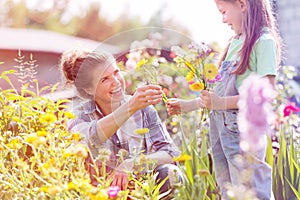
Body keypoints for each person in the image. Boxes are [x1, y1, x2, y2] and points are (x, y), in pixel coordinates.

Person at [167, 0, 282, 199]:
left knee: (252, 189)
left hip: (244, 132)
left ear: (242, 4)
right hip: (220, 130)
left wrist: (219, 103)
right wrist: (187, 106)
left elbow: (265, 93)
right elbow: (217, 94)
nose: (223, 20)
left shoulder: (263, 41)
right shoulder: (235, 42)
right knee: (229, 191)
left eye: (224, 12)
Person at [59, 49, 182, 196]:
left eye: (116, 73)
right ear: (89, 89)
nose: (116, 82)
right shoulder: (78, 115)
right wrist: (130, 108)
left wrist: (132, 163)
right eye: (105, 79)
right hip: (99, 194)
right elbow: (88, 140)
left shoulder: (142, 109)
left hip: (140, 192)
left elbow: (170, 154)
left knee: (170, 173)